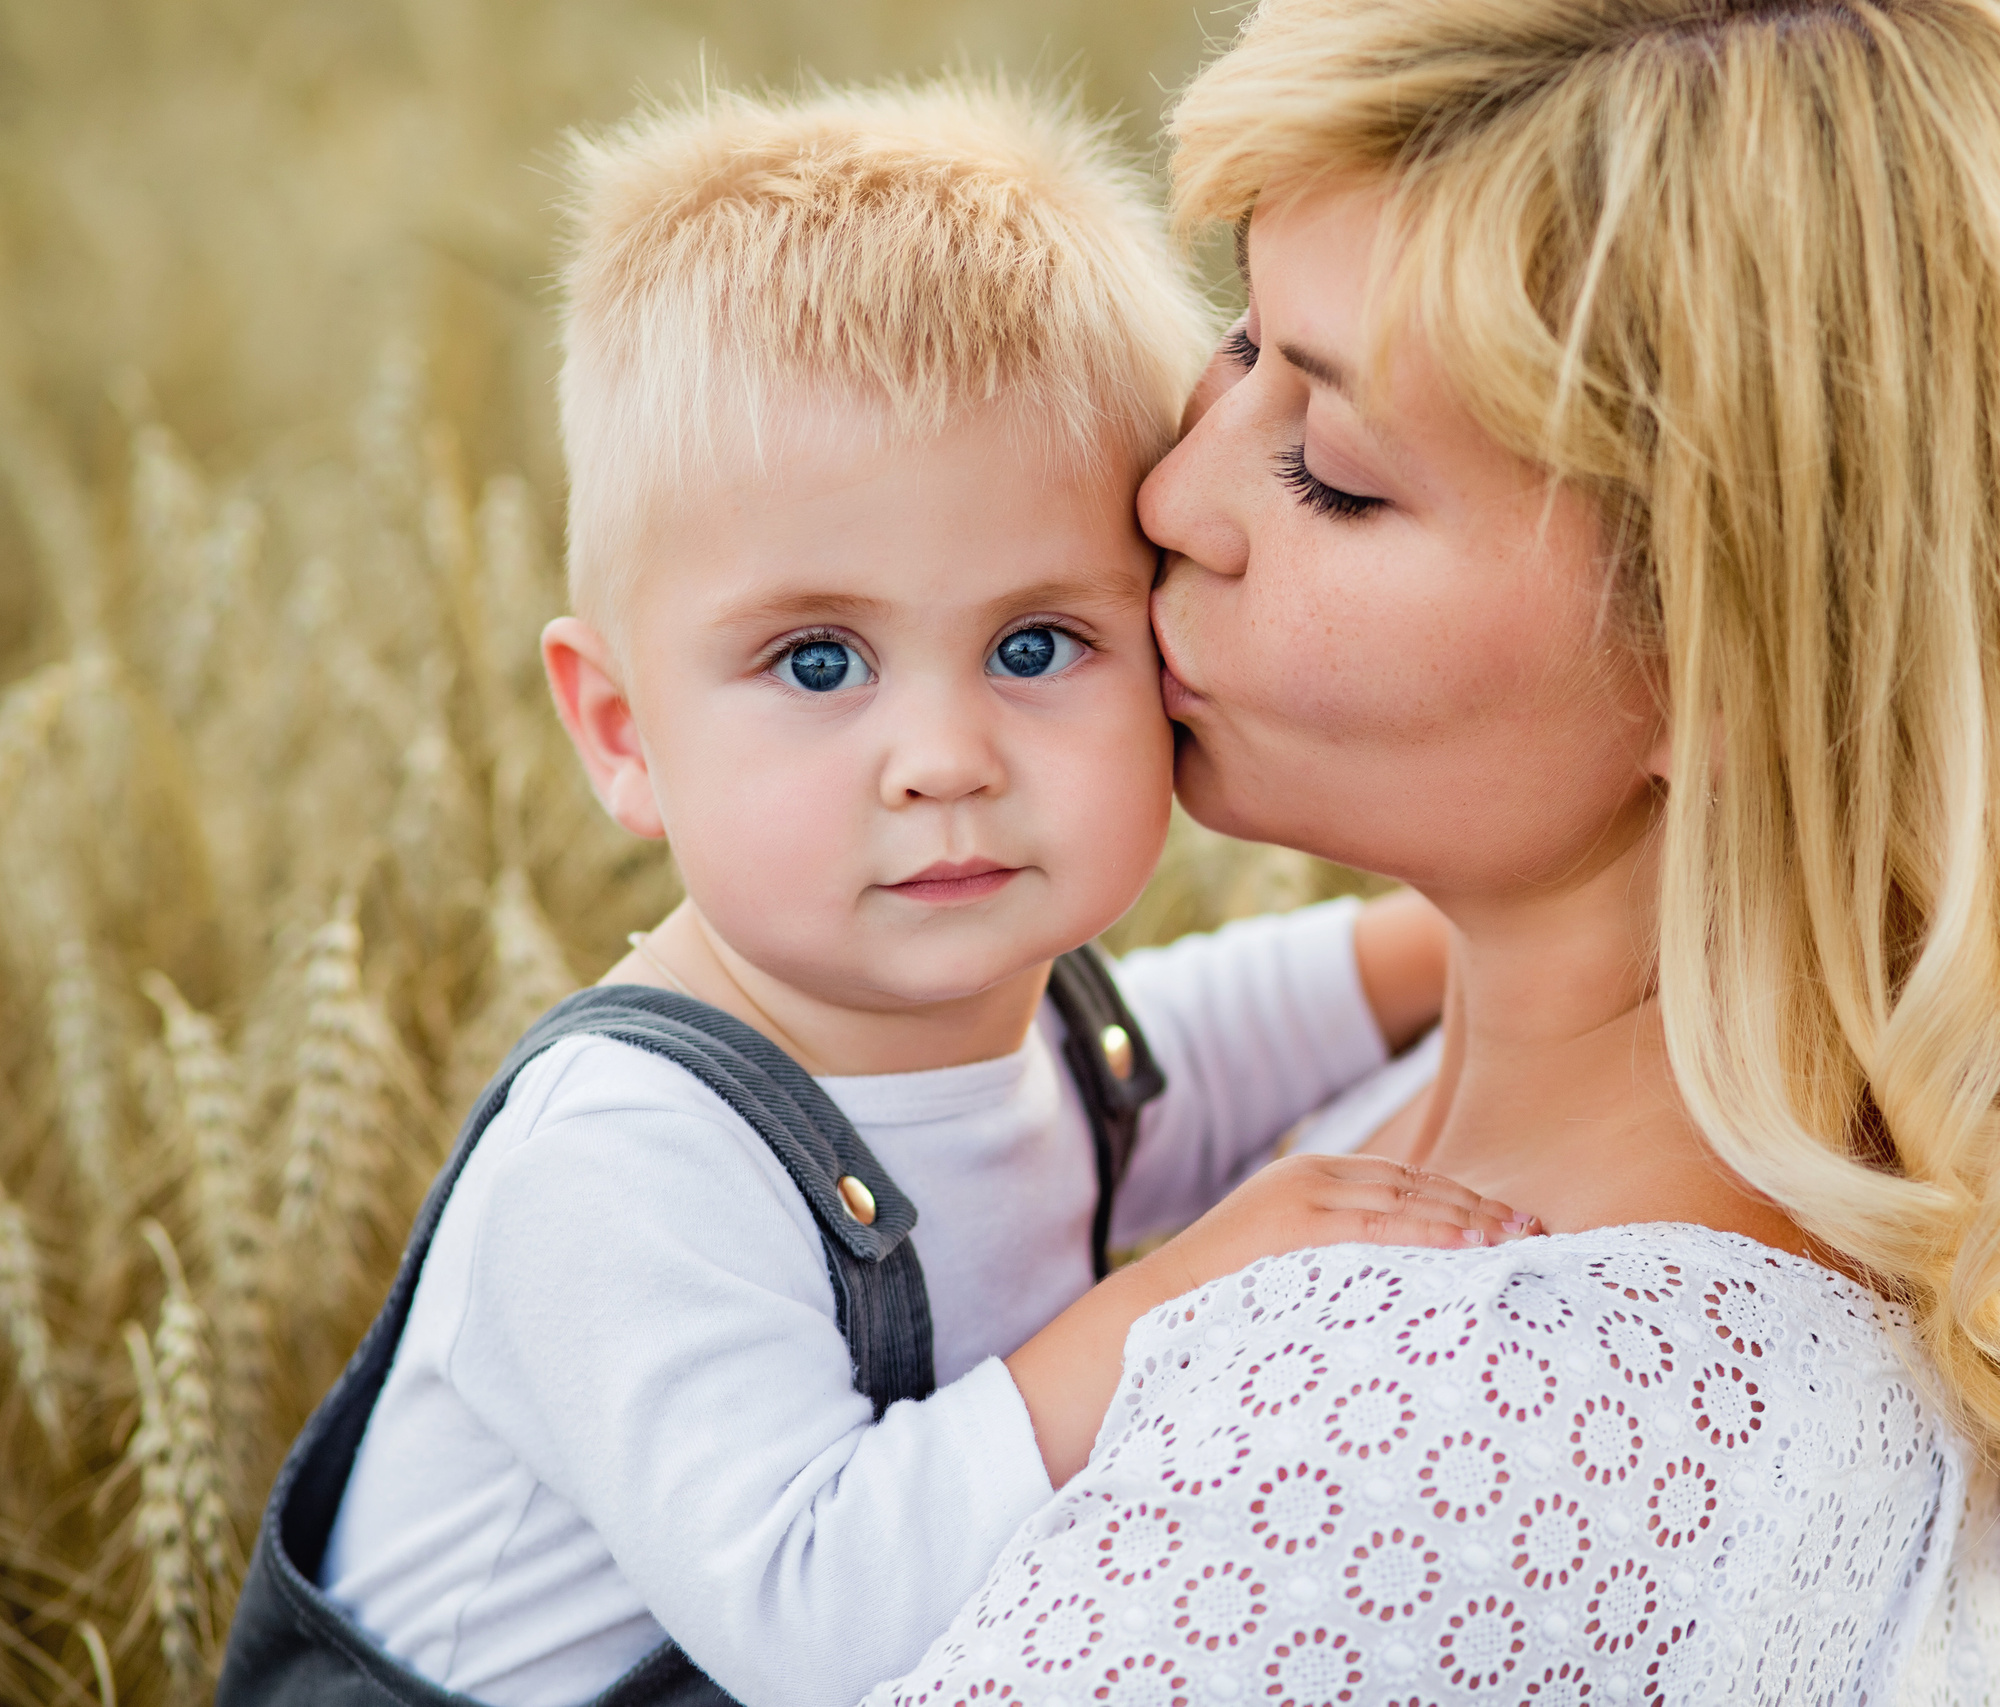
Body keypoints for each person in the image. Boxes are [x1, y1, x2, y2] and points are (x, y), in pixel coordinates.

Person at [866, 0, 2000, 1701]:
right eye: (1243, 343)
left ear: (1751, 661)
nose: (1173, 501)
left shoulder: (1408, 1456)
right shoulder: (1873, 1224)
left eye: (1335, 473)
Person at [216, 80, 1534, 1707]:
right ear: (623, 734)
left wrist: (1442, 946)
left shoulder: (988, 1013)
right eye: (819, 661)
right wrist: (1181, 1304)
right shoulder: (623, 1163)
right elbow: (814, 1612)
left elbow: (1175, 1057)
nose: (942, 758)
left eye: (1036, 645)